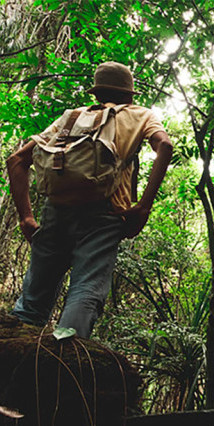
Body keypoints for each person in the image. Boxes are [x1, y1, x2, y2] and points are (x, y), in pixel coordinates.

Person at [6, 61, 173, 339]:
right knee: (85, 289)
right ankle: (66, 360)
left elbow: (17, 160)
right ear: (130, 94)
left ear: (95, 93)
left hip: (55, 211)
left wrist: (26, 217)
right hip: (104, 216)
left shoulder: (71, 117)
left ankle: (14, 358)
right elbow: (165, 146)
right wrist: (143, 207)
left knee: (33, 299)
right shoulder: (141, 115)